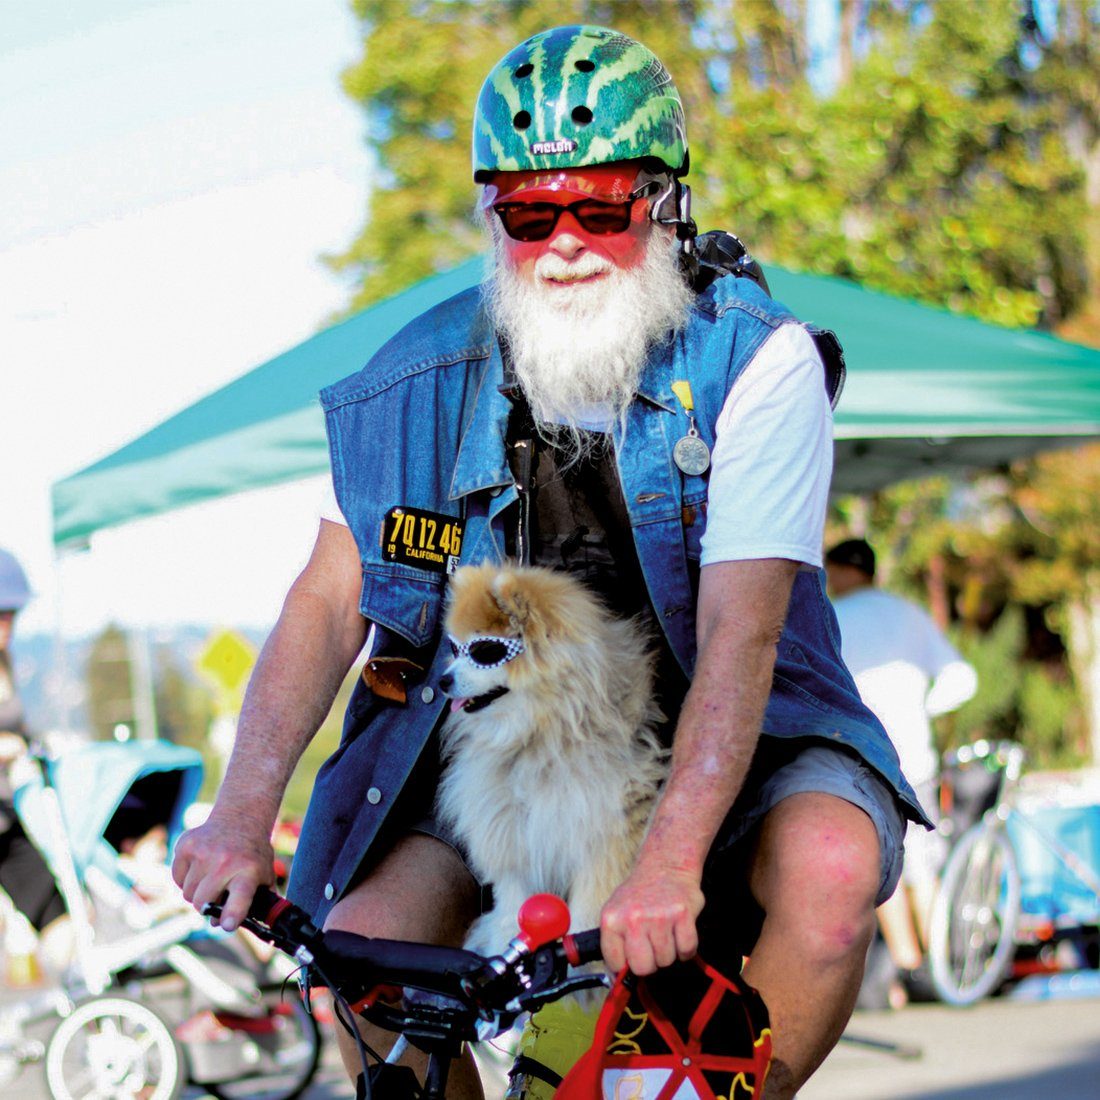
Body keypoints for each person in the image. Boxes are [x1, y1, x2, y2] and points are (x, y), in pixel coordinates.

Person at [173, 26, 927, 1099]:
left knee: (832, 869)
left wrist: (666, 860)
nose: (564, 240)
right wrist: (240, 812)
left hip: (738, 733)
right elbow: (330, 596)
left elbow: (741, 636)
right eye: (531, 214)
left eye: (599, 208)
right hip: (510, 748)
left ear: (662, 205)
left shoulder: (757, 360)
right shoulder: (412, 381)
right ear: (493, 217)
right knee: (363, 941)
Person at [825, 537, 977, 1003]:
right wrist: (924, 708)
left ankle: (906, 969)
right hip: (916, 756)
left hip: (862, 754)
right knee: (924, 863)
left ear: (843, 570)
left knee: (882, 860)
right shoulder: (908, 613)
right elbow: (962, 678)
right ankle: (939, 969)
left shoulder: (834, 616)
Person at [0, 547, 70, 975]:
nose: (7, 623)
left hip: (7, 818)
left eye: (12, 613)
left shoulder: (6, 662)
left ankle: (74, 1005)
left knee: (62, 918)